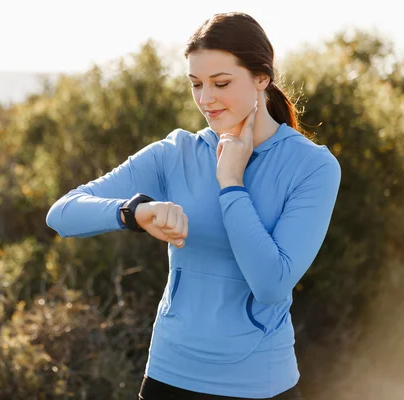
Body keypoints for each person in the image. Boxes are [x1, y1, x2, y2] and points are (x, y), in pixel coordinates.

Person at [46, 11, 341, 400]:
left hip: (260, 384)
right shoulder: (177, 152)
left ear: (262, 78)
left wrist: (231, 184)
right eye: (196, 84)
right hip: (169, 376)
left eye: (221, 83)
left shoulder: (312, 166)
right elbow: (63, 213)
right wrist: (133, 213)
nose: (205, 99)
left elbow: (271, 284)